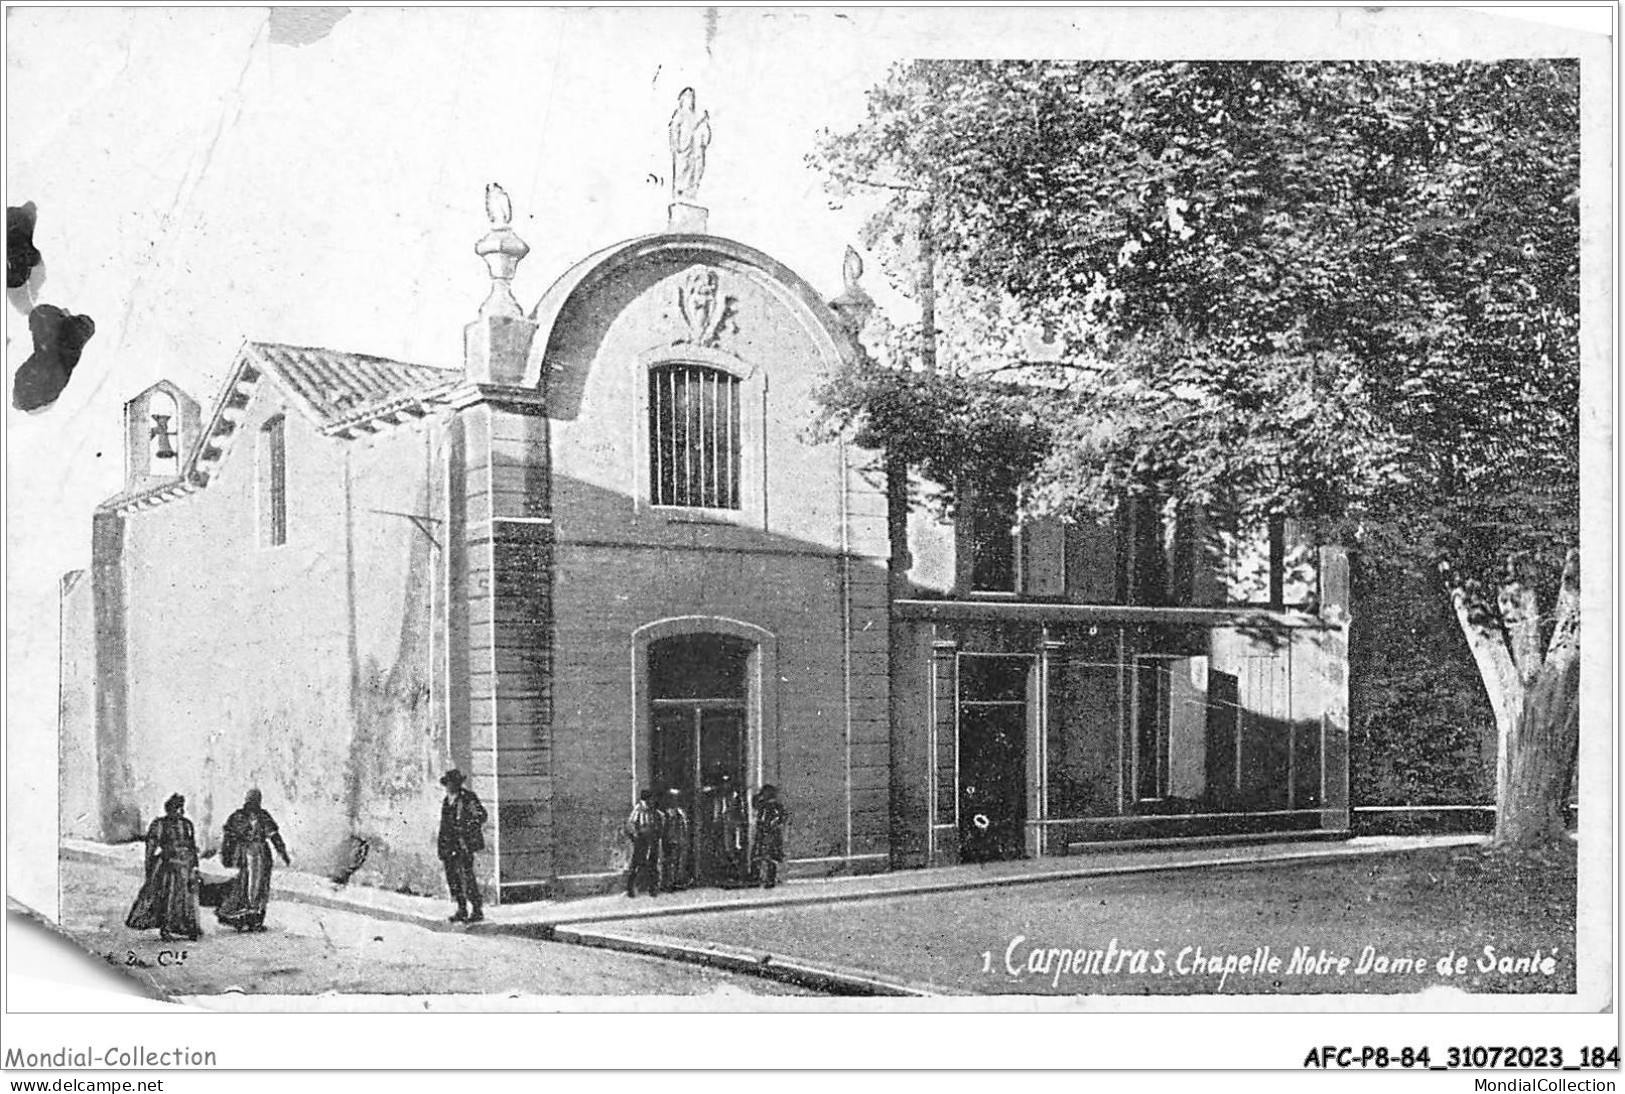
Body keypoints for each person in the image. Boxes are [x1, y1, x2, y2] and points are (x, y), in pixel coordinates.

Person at [125, 793, 202, 942]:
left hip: (185, 866)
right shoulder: (160, 824)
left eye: (181, 808)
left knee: (186, 898)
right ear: (169, 809)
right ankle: (166, 928)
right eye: (176, 808)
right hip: (168, 866)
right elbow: (151, 846)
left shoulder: (187, 824)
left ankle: (186, 927)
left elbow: (191, 846)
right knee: (169, 897)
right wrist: (149, 867)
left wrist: (195, 865)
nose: (180, 812)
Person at [215, 788, 290, 933]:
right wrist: (226, 855)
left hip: (262, 853)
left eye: (256, 800)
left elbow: (274, 835)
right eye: (251, 800)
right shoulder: (238, 816)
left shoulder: (263, 816)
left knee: (260, 887)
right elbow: (228, 836)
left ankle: (256, 921)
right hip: (244, 853)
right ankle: (240, 918)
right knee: (243, 885)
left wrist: (283, 852)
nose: (254, 803)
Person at [437, 769, 487, 923]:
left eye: (452, 783)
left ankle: (477, 910)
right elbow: (444, 825)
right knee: (453, 878)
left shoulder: (468, 798)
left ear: (457, 784)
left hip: (463, 845)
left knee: (467, 878)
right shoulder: (447, 801)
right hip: (449, 845)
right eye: (447, 784)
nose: (449, 786)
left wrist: (468, 828)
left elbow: (481, 815)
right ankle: (461, 909)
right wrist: (441, 846)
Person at [667, 87, 712, 203]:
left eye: (692, 97)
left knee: (694, 171)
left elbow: (704, 136)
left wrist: (704, 125)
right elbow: (674, 129)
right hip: (683, 149)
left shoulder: (697, 116)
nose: (690, 100)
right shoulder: (680, 114)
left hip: (694, 151)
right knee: (682, 171)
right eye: (688, 97)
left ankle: (691, 193)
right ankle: (680, 193)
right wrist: (676, 145)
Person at [623, 789, 662, 898]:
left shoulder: (651, 810)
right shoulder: (638, 809)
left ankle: (653, 889)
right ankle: (631, 889)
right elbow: (630, 826)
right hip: (641, 841)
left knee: (653, 864)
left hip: (651, 840)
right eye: (651, 799)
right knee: (637, 865)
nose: (653, 801)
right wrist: (636, 839)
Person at [750, 785, 788, 889]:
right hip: (764, 833)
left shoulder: (775, 806)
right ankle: (759, 877)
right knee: (761, 856)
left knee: (769, 857)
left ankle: (768, 879)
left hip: (770, 834)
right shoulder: (764, 805)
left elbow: (780, 819)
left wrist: (771, 826)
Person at [658, 788, 691, 892]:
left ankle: (678, 881)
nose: (675, 801)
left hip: (681, 840)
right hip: (671, 840)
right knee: (670, 862)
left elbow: (684, 826)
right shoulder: (667, 814)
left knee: (680, 862)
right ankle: (668, 883)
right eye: (672, 798)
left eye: (676, 798)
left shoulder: (681, 812)